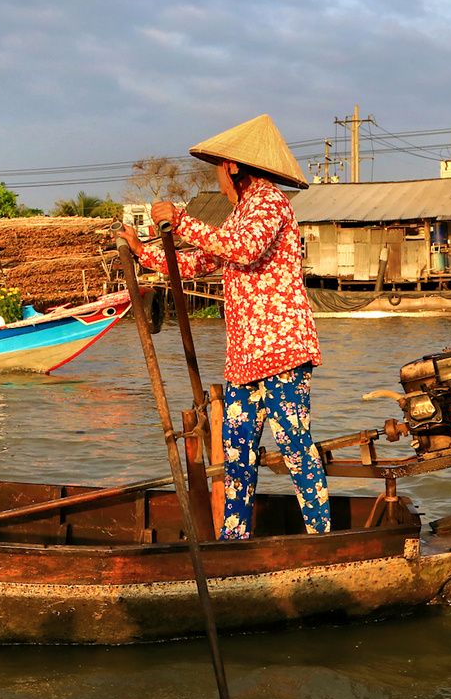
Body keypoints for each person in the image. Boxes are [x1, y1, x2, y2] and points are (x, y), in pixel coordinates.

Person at [117, 114, 329, 540]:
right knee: (236, 457)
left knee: (296, 451)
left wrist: (182, 221)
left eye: (218, 169)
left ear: (233, 167)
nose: (218, 177)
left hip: (282, 354)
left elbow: (245, 249)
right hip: (246, 360)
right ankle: (234, 542)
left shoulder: (269, 203)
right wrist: (144, 253)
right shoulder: (242, 213)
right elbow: (202, 261)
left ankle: (323, 540)